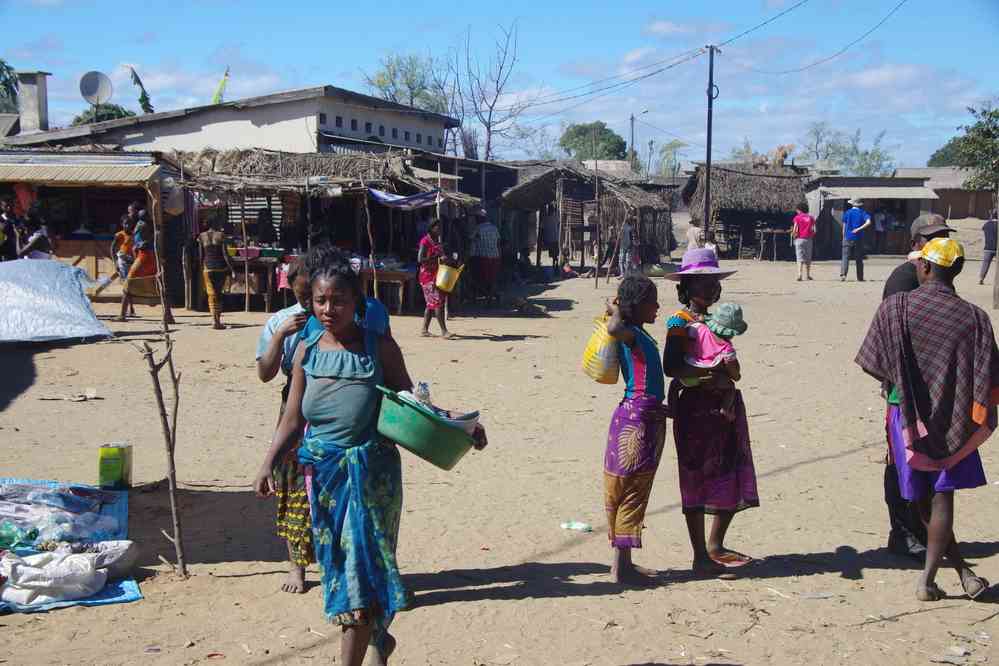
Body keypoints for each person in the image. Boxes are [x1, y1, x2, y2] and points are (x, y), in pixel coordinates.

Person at [254, 247, 486, 666]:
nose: (329, 309)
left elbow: (413, 403)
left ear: (357, 301)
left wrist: (462, 428)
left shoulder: (379, 348)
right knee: (341, 568)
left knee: (360, 574)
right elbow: (291, 418)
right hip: (322, 477)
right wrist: (268, 461)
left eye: (339, 300)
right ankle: (378, 640)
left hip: (372, 477)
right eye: (321, 301)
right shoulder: (306, 352)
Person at [856, 238, 997, 602]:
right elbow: (988, 376)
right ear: (959, 271)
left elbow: (875, 363)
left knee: (921, 497)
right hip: (956, 419)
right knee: (942, 498)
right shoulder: (976, 318)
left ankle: (929, 580)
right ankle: (957, 570)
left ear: (925, 267)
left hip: (903, 416)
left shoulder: (895, 308)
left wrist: (908, 384)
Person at [664, 248, 759, 575]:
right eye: (703, 284)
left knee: (728, 469)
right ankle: (699, 553)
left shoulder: (719, 322)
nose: (711, 289)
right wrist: (711, 375)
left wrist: (726, 375)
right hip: (694, 408)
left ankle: (715, 544)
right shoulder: (679, 321)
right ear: (687, 288)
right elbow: (671, 366)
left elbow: (732, 366)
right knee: (694, 475)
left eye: (714, 283)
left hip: (721, 410)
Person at [878, 213, 955, 560]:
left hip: (935, 390)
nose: (937, 241)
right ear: (915, 244)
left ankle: (924, 530)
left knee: (933, 464)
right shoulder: (904, 279)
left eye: (942, 236)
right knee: (902, 464)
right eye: (930, 237)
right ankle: (903, 531)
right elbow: (890, 338)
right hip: (905, 389)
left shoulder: (940, 276)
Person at [603, 275, 667, 585]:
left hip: (639, 414)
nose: (657, 306)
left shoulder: (639, 334)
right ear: (638, 305)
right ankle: (620, 568)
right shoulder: (629, 333)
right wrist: (618, 307)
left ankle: (624, 562)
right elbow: (613, 328)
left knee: (628, 489)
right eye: (652, 300)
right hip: (639, 420)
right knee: (631, 491)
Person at [255, 256, 313, 593]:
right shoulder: (279, 321)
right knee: (291, 487)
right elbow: (265, 374)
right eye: (303, 296)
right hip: (293, 407)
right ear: (290, 286)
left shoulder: (334, 316)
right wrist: (279, 336)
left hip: (328, 410)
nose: (309, 303)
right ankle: (297, 568)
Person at [684, 302, 747, 422]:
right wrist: (737, 376)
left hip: (689, 371)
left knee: (675, 386)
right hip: (712, 377)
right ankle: (725, 409)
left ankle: (672, 405)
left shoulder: (698, 328)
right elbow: (732, 369)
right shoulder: (726, 347)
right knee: (730, 388)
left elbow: (688, 331)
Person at [119, 205, 175, 324]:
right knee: (159, 286)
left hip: (144, 257)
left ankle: (122, 315)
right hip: (150, 257)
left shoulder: (141, 225)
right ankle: (168, 315)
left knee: (127, 284)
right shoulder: (150, 227)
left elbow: (142, 243)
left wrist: (137, 247)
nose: (130, 214)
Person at [199, 217, 236, 330]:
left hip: (208, 268)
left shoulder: (201, 236)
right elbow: (225, 254)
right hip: (221, 268)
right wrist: (232, 269)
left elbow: (201, 255)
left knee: (211, 294)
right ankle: (218, 321)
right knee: (218, 294)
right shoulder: (221, 235)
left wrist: (202, 268)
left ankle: (214, 321)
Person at [417, 220, 453, 339]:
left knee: (430, 304)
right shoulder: (425, 241)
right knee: (438, 303)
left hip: (437, 275)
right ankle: (444, 331)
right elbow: (420, 259)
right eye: (438, 228)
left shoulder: (437, 243)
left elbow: (441, 258)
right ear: (431, 228)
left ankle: (424, 330)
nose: (440, 230)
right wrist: (436, 257)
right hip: (427, 277)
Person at [471, 211, 501, 304]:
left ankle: (489, 297)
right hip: (495, 256)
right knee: (492, 278)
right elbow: (498, 242)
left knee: (482, 279)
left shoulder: (478, 228)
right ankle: (492, 296)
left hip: (483, 257)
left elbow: (470, 239)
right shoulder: (494, 228)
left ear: (480, 218)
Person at [110, 215, 137, 318]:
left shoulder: (134, 234)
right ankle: (130, 309)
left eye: (129, 223)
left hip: (132, 260)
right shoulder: (119, 235)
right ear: (122, 224)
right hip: (123, 260)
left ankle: (131, 308)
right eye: (125, 223)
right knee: (127, 284)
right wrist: (115, 262)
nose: (127, 225)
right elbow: (112, 248)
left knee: (130, 285)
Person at [840, 199, 872, 282]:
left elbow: (844, 226)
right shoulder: (862, 212)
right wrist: (858, 229)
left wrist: (843, 237)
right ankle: (860, 277)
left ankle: (843, 275)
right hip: (858, 238)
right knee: (859, 258)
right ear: (860, 205)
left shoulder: (847, 212)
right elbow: (868, 222)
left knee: (845, 257)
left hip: (848, 237)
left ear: (852, 204)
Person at [791, 204, 816, 281]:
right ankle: (808, 275)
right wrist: (810, 235)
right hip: (808, 239)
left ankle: (799, 274)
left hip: (799, 239)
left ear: (799, 210)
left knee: (799, 257)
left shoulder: (797, 218)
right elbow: (814, 230)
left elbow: (795, 229)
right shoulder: (811, 218)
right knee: (808, 258)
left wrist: (793, 235)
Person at [979, 210, 997, 285]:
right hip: (997, 248)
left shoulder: (987, 224)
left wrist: (990, 219)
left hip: (988, 247)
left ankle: (981, 278)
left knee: (985, 264)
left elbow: (983, 228)